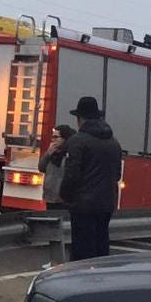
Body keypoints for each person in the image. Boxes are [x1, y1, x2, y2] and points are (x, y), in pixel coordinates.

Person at [58, 97, 123, 261]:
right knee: (101, 248)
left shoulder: (77, 141)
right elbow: (117, 175)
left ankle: (83, 283)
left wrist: (64, 196)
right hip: (106, 204)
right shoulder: (114, 142)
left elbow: (71, 175)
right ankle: (100, 281)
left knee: (82, 253)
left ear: (80, 119)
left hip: (83, 206)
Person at [39, 125, 77, 211]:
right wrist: (47, 154)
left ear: (64, 139)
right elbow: (41, 167)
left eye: (56, 137)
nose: (53, 140)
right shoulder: (51, 154)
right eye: (52, 137)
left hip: (62, 200)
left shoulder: (69, 155)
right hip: (50, 198)